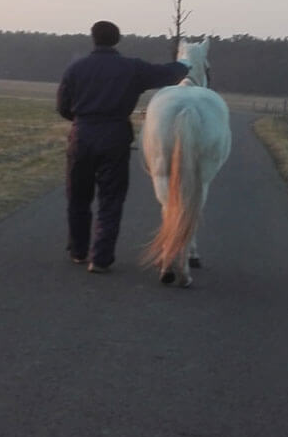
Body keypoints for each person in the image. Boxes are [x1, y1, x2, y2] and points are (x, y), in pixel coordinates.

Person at [56, 21, 189, 273]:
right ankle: (101, 258)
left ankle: (78, 251)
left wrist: (80, 121)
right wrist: (186, 63)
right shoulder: (132, 68)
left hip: (81, 137)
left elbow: (63, 105)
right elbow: (166, 74)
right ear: (117, 40)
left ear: (93, 38)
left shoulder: (76, 68)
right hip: (115, 137)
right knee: (111, 198)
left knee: (78, 197)